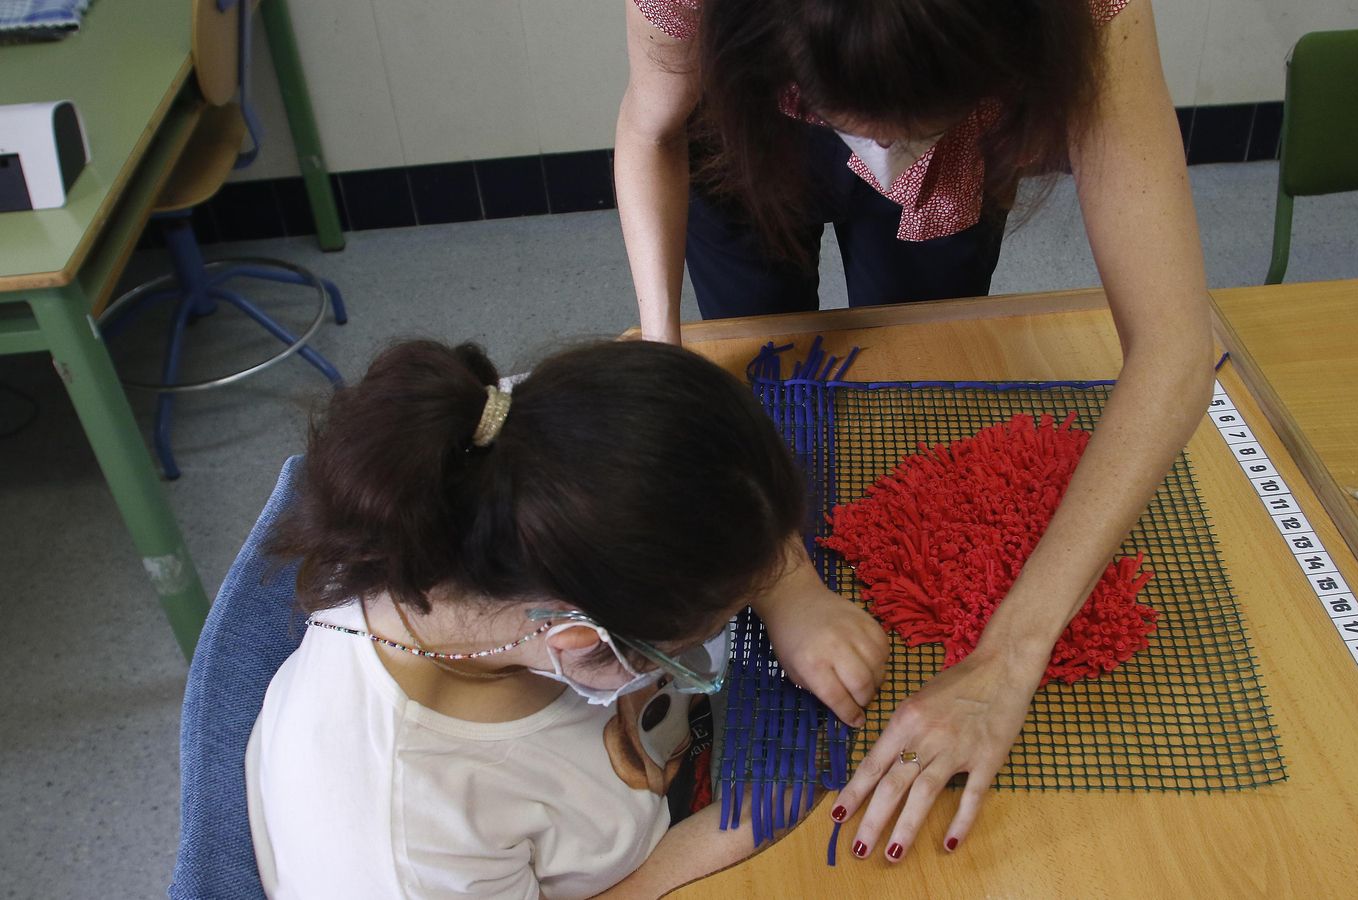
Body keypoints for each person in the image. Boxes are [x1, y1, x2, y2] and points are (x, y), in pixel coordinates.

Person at [615, 0, 1215, 862]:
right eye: (857, 120)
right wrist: (666, 364)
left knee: (919, 347)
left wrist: (1008, 658)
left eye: (910, 125)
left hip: (959, 144)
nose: (881, 153)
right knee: (763, 354)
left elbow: (1175, 345)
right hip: (747, 134)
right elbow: (651, 127)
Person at [246, 339, 888, 898]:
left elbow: (713, 480)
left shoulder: (512, 439)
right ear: (584, 645)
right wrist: (724, 837)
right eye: (691, 639)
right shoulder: (408, 845)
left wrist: (793, 592)